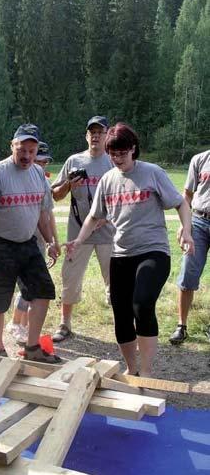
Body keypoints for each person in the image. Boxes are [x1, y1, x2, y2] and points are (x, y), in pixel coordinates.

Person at [64, 123, 194, 377]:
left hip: (153, 252)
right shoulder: (108, 180)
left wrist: (186, 231)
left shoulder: (152, 173)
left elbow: (181, 203)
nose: (117, 159)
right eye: (113, 154)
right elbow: (93, 216)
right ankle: (131, 369)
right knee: (121, 313)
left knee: (142, 304)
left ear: (133, 149)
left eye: (122, 153)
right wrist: (79, 241)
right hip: (121, 255)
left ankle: (146, 371)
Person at [0, 124, 61, 363]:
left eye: (32, 151)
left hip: (28, 243)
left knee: (43, 291)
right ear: (13, 146)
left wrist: (51, 240)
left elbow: (42, 213)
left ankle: (32, 348)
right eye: (22, 149)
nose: (27, 156)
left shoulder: (38, 174)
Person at [50, 116, 114, 342]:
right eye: (92, 132)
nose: (95, 136)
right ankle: (65, 324)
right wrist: (68, 185)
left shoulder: (114, 161)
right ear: (86, 136)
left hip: (109, 234)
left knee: (115, 280)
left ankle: (122, 325)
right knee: (70, 278)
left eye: (100, 131)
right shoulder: (74, 161)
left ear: (107, 135)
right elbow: (55, 195)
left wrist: (105, 220)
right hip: (77, 234)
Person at [6, 142, 60, 345]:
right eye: (39, 162)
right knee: (27, 287)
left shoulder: (42, 180)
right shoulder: (18, 176)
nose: (42, 165)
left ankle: (25, 325)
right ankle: (15, 323)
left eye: (45, 162)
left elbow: (49, 214)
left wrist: (53, 241)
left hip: (38, 239)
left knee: (33, 287)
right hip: (22, 239)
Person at [169, 150, 210, 344]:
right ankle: (181, 326)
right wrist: (184, 226)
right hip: (199, 222)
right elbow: (187, 195)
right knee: (187, 275)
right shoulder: (200, 159)